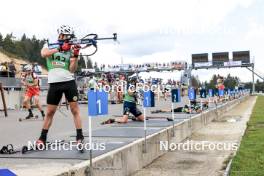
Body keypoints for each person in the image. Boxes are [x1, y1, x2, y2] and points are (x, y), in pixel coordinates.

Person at [37, 25, 84, 146]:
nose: (68, 39)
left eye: (70, 37)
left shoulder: (70, 48)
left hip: (69, 82)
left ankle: (80, 137)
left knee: (75, 110)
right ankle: (42, 138)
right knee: (50, 112)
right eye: (66, 36)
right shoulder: (49, 44)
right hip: (54, 83)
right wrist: (60, 48)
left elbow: (72, 69)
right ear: (61, 35)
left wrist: (76, 56)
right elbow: (44, 54)